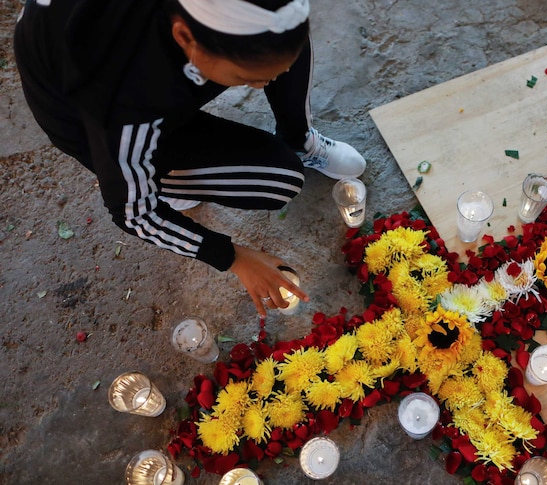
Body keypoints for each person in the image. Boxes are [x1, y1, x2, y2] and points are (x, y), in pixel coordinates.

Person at [14, 0, 367, 316]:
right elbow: (134, 213)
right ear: (184, 36)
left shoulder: (211, 33)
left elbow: (276, 43)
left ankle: (299, 139)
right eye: (247, 78)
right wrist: (233, 257)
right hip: (86, 116)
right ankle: (161, 178)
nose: (262, 86)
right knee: (278, 181)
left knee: (278, 41)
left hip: (160, 71)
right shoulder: (123, 98)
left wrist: (269, 67)